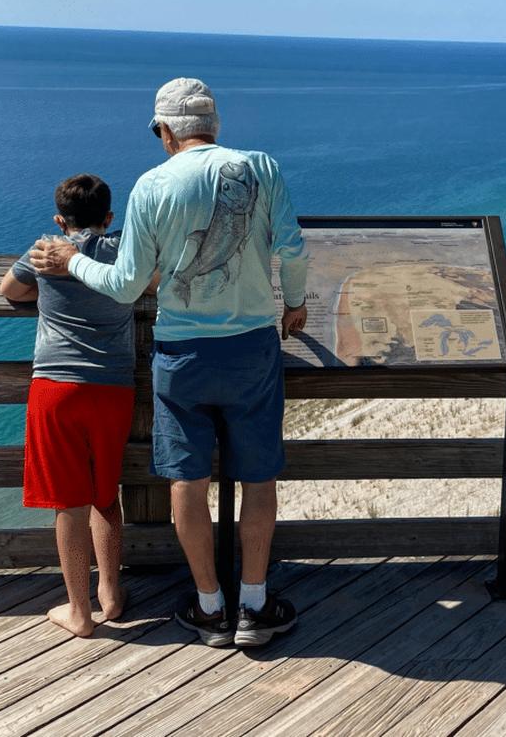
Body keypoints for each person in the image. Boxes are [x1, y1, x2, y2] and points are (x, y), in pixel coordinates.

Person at [30, 77, 308, 648]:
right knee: (258, 476)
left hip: (182, 352)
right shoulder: (263, 166)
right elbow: (293, 249)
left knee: (188, 477)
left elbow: (127, 285)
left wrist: (71, 259)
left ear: (165, 132)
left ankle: (209, 606)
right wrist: (296, 304)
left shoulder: (152, 185)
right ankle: (254, 604)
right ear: (215, 125)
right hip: (253, 342)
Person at [0, 173, 136, 638]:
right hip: (114, 387)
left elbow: (9, 290)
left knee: (68, 504)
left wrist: (48, 292)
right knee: (106, 494)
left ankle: (78, 611)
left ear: (61, 219)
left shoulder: (43, 251)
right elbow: (147, 282)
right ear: (109, 217)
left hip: (56, 387)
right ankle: (112, 595)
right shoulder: (122, 252)